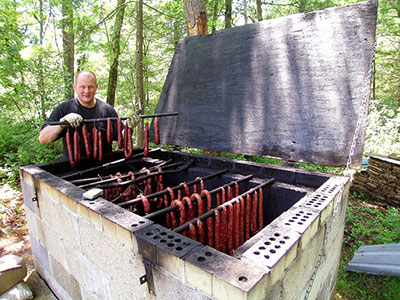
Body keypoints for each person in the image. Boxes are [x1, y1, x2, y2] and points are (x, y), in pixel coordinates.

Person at [39, 70, 122, 159]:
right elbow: (43, 138)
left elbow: (122, 136)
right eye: (82, 87)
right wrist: (62, 123)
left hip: (104, 168)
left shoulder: (107, 110)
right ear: (75, 87)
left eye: (90, 87)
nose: (86, 91)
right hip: (72, 169)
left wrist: (130, 126)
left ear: (96, 87)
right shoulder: (64, 108)